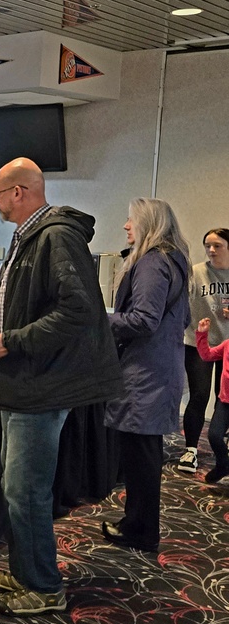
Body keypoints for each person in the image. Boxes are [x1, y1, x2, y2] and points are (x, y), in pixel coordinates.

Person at [0, 157, 122, 616]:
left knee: (27, 490)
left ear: (19, 192)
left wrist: (10, 339)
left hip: (43, 383)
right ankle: (23, 571)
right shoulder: (31, 235)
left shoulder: (56, 235)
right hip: (26, 380)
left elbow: (76, 312)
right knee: (16, 487)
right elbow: (42, 299)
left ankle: (42, 586)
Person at [100, 198, 190, 553]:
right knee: (145, 455)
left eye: (131, 220)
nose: (125, 226)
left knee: (140, 458)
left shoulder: (153, 262)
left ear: (148, 223)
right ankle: (138, 524)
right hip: (160, 367)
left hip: (144, 373)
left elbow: (143, 320)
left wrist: (100, 318)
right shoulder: (175, 260)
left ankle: (139, 529)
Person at [178, 228, 229, 473]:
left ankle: (221, 447)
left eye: (217, 245)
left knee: (224, 399)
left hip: (228, 346)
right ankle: (190, 450)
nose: (211, 250)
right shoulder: (196, 273)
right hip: (198, 342)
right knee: (199, 395)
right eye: (207, 245)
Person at [196, 317, 229, 483]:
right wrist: (202, 334)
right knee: (214, 436)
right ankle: (223, 465)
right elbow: (207, 355)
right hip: (225, 403)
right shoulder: (227, 344)